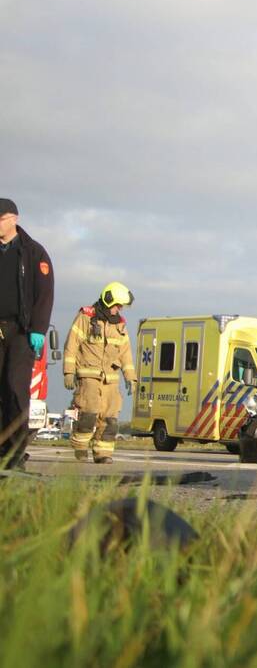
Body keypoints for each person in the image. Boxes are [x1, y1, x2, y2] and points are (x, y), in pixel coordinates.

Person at [0, 198, 54, 469]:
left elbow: (44, 294)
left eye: (0, 219)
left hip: (21, 332)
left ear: (14, 219)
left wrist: (39, 329)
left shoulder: (33, 252)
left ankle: (15, 453)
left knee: (14, 388)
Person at [64, 282, 136, 463]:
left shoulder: (120, 325)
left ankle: (103, 453)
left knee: (110, 419)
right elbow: (72, 345)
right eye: (118, 305)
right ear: (108, 299)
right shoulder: (86, 317)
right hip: (89, 375)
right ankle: (80, 448)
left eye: (122, 306)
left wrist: (131, 378)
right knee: (88, 414)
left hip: (111, 379)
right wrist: (68, 372)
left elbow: (125, 353)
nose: (119, 309)